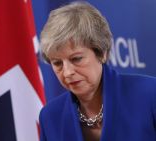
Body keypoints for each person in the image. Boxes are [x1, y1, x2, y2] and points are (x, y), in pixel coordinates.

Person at [39, 1, 156, 141]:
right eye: (57, 63)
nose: (67, 72)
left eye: (76, 59)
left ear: (102, 53)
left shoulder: (150, 95)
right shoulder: (50, 117)